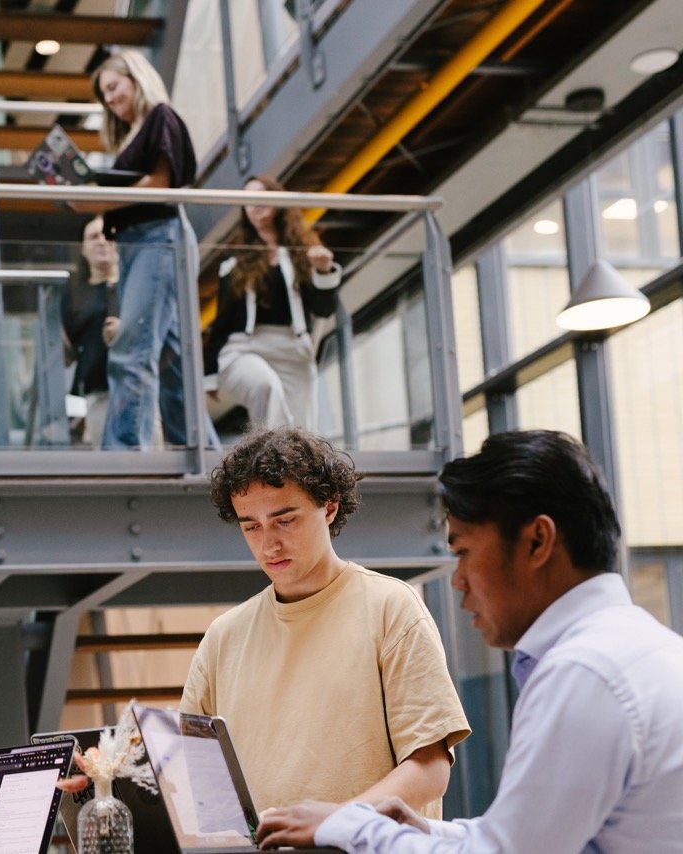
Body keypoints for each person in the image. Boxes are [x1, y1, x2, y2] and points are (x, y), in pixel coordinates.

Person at [255, 430, 683, 851]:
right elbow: (524, 837)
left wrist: (347, 826)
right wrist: (421, 831)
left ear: (538, 540)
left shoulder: (585, 673)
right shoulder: (641, 649)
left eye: (463, 552)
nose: (458, 581)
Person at [180, 426, 470, 822]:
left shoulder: (391, 608)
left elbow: (429, 769)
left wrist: (332, 825)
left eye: (285, 520)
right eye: (251, 526)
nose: (269, 544)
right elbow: (193, 774)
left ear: (329, 506)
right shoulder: (223, 637)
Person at [71, 50, 197, 450]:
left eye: (113, 87)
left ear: (135, 78)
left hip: (157, 236)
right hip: (139, 241)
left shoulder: (160, 115)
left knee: (132, 347)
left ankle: (125, 452)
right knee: (169, 356)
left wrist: (99, 200)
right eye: (104, 94)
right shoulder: (132, 134)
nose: (109, 98)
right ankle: (202, 452)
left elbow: (161, 185)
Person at [204, 174, 341, 432]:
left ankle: (290, 467)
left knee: (302, 431)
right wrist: (209, 373)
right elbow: (221, 324)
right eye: (247, 199)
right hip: (244, 348)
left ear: (277, 200)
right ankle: (269, 459)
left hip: (292, 349)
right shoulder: (234, 264)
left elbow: (324, 309)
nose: (254, 203)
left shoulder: (304, 254)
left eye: (260, 194)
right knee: (265, 387)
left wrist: (323, 272)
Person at [61, 216, 119, 444]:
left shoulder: (137, 287)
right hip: (97, 394)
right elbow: (64, 352)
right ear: (83, 249)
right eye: (94, 237)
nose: (102, 241)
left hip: (140, 389)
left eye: (107, 235)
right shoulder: (73, 297)